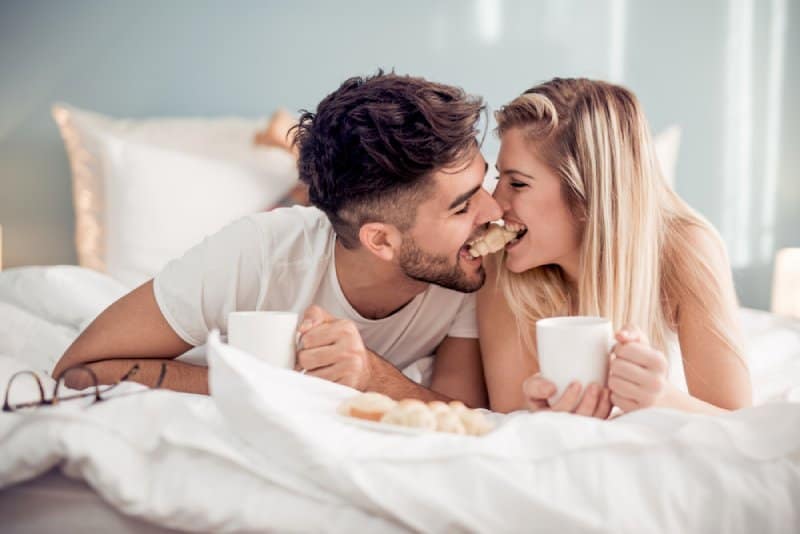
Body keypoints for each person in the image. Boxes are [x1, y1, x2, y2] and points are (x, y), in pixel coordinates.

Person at [53, 72, 502, 407]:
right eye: (462, 207)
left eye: (484, 182)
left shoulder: (466, 269)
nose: (494, 211)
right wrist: (272, 384)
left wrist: (372, 376)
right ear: (380, 240)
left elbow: (463, 415)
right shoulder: (255, 254)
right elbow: (79, 369)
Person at [476, 78, 752, 416]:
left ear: (587, 194)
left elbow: (738, 423)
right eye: (499, 178)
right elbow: (510, 412)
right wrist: (539, 413)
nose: (495, 203)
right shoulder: (502, 262)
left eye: (518, 183)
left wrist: (660, 399)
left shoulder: (687, 248)